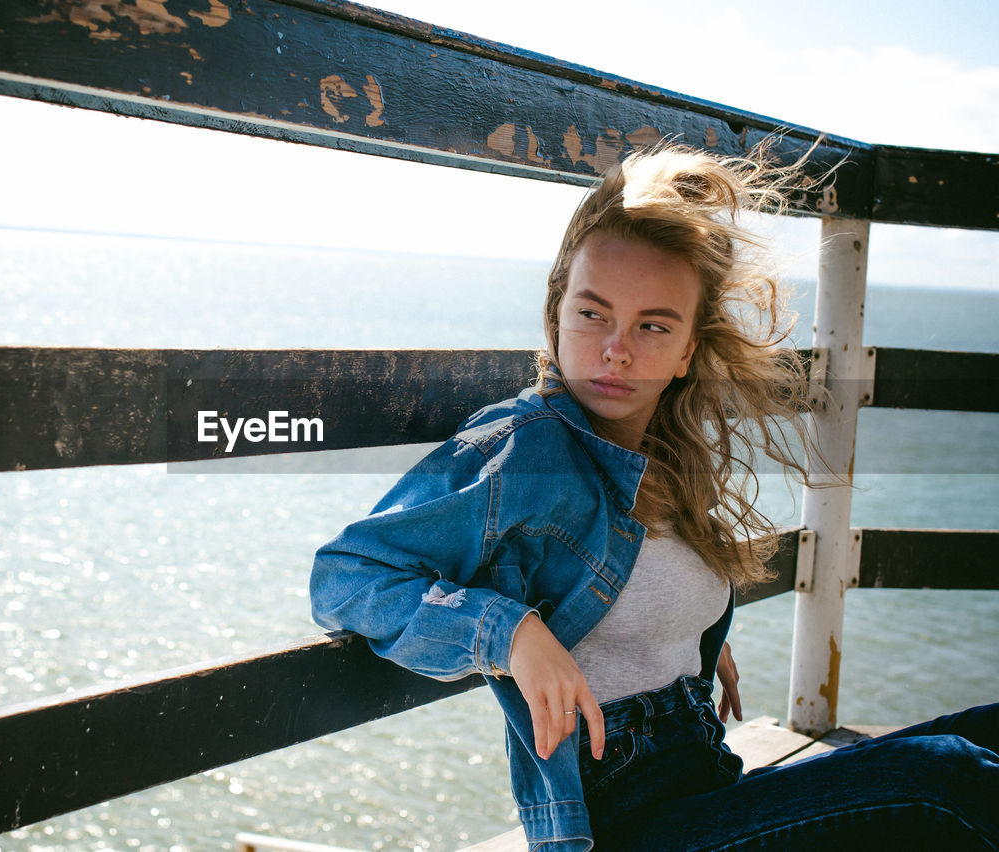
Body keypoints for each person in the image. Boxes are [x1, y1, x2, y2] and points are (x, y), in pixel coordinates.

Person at [309, 142, 998, 850]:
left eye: (653, 326)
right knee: (944, 780)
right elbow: (347, 577)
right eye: (592, 314)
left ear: (688, 350)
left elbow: (631, 596)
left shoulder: (665, 455)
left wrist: (682, 640)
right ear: (557, 313)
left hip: (703, 785)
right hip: (622, 827)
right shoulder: (524, 448)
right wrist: (509, 634)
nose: (616, 349)